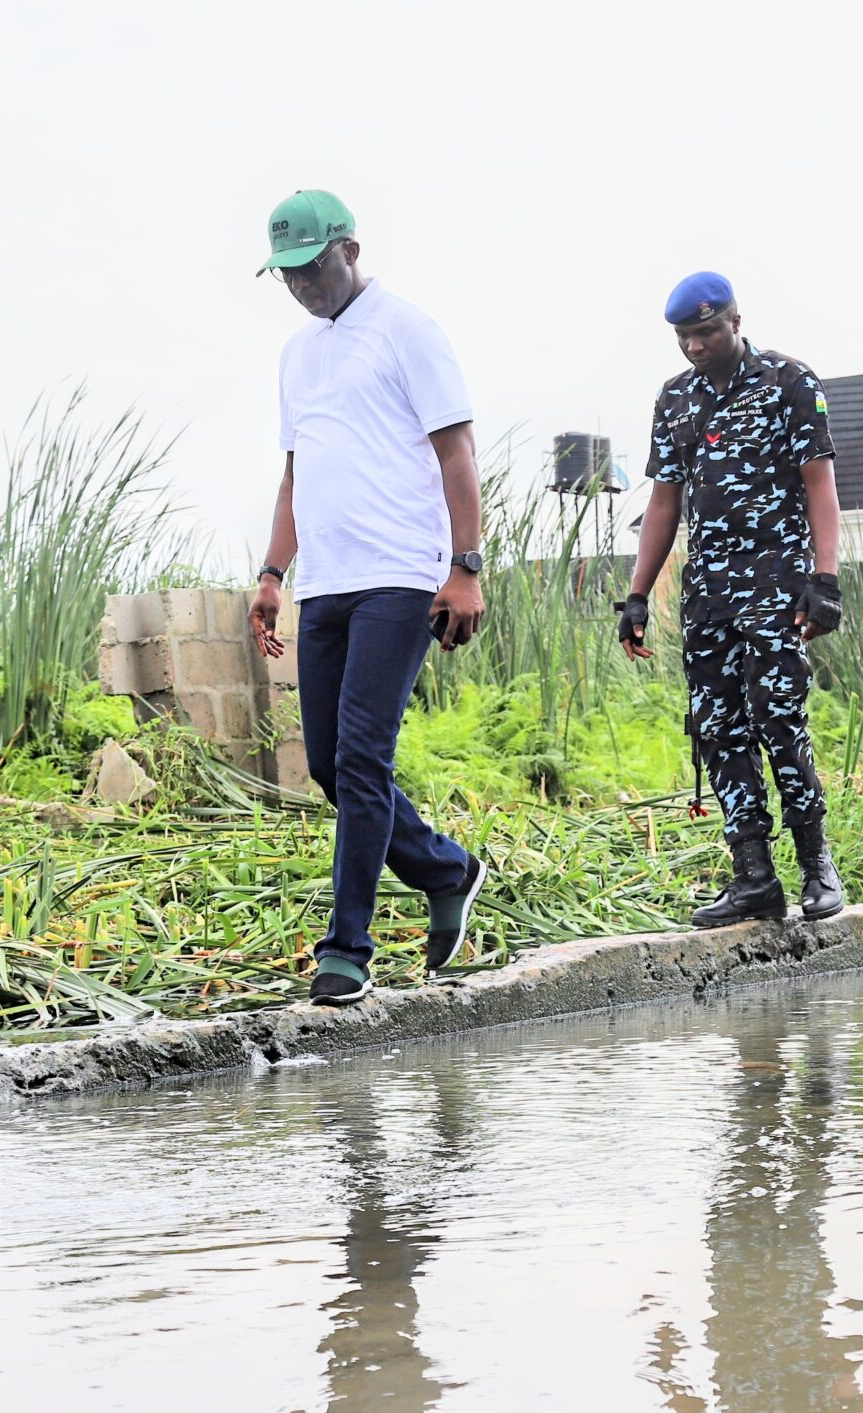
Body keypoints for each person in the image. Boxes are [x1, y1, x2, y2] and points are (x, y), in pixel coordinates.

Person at [248, 189, 489, 1008]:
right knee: (327, 763)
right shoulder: (296, 355)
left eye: (312, 268)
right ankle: (445, 868)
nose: (301, 286)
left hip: (401, 574)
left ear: (349, 250)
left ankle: (346, 949)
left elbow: (456, 453)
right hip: (325, 582)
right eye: (287, 275)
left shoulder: (407, 329)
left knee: (361, 758)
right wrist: (272, 573)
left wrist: (465, 566)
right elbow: (296, 473)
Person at [619, 271, 845, 926]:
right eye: (684, 337)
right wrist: (637, 596)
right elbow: (664, 503)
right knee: (716, 728)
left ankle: (816, 866)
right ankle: (754, 877)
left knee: (779, 717)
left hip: (776, 582)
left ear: (735, 322)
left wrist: (825, 579)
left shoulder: (788, 382)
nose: (695, 346)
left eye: (706, 332)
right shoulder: (675, 400)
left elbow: (819, 485)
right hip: (708, 594)